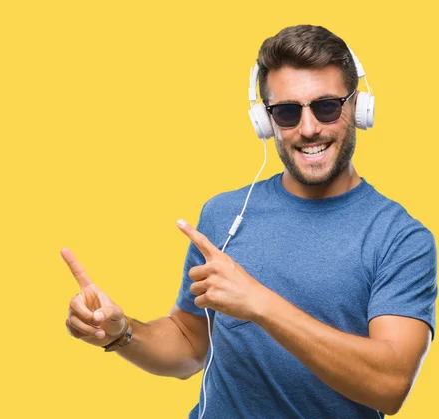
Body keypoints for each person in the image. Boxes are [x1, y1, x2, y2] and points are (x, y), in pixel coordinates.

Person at [61, 25, 437, 418]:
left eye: (326, 106)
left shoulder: (401, 238)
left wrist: (261, 304)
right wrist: (122, 334)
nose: (308, 128)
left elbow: (390, 386)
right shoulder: (225, 213)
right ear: (265, 120)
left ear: (356, 107)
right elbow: (191, 344)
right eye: (288, 112)